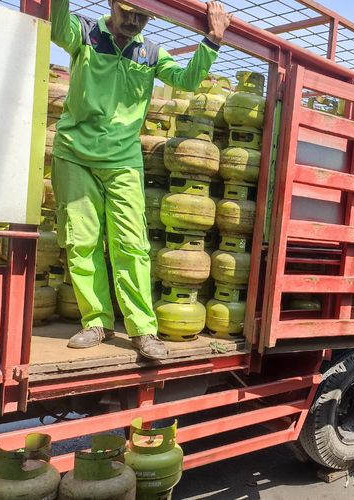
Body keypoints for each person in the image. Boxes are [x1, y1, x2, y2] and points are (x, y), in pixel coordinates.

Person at [50, 0, 231, 359]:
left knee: (131, 244)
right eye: (127, 11)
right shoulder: (85, 34)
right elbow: (57, 26)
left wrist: (213, 39)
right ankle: (96, 321)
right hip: (74, 152)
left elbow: (188, 80)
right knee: (81, 240)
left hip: (123, 160)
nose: (134, 21)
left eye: (142, 15)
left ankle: (142, 329)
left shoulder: (150, 53)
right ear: (112, 4)